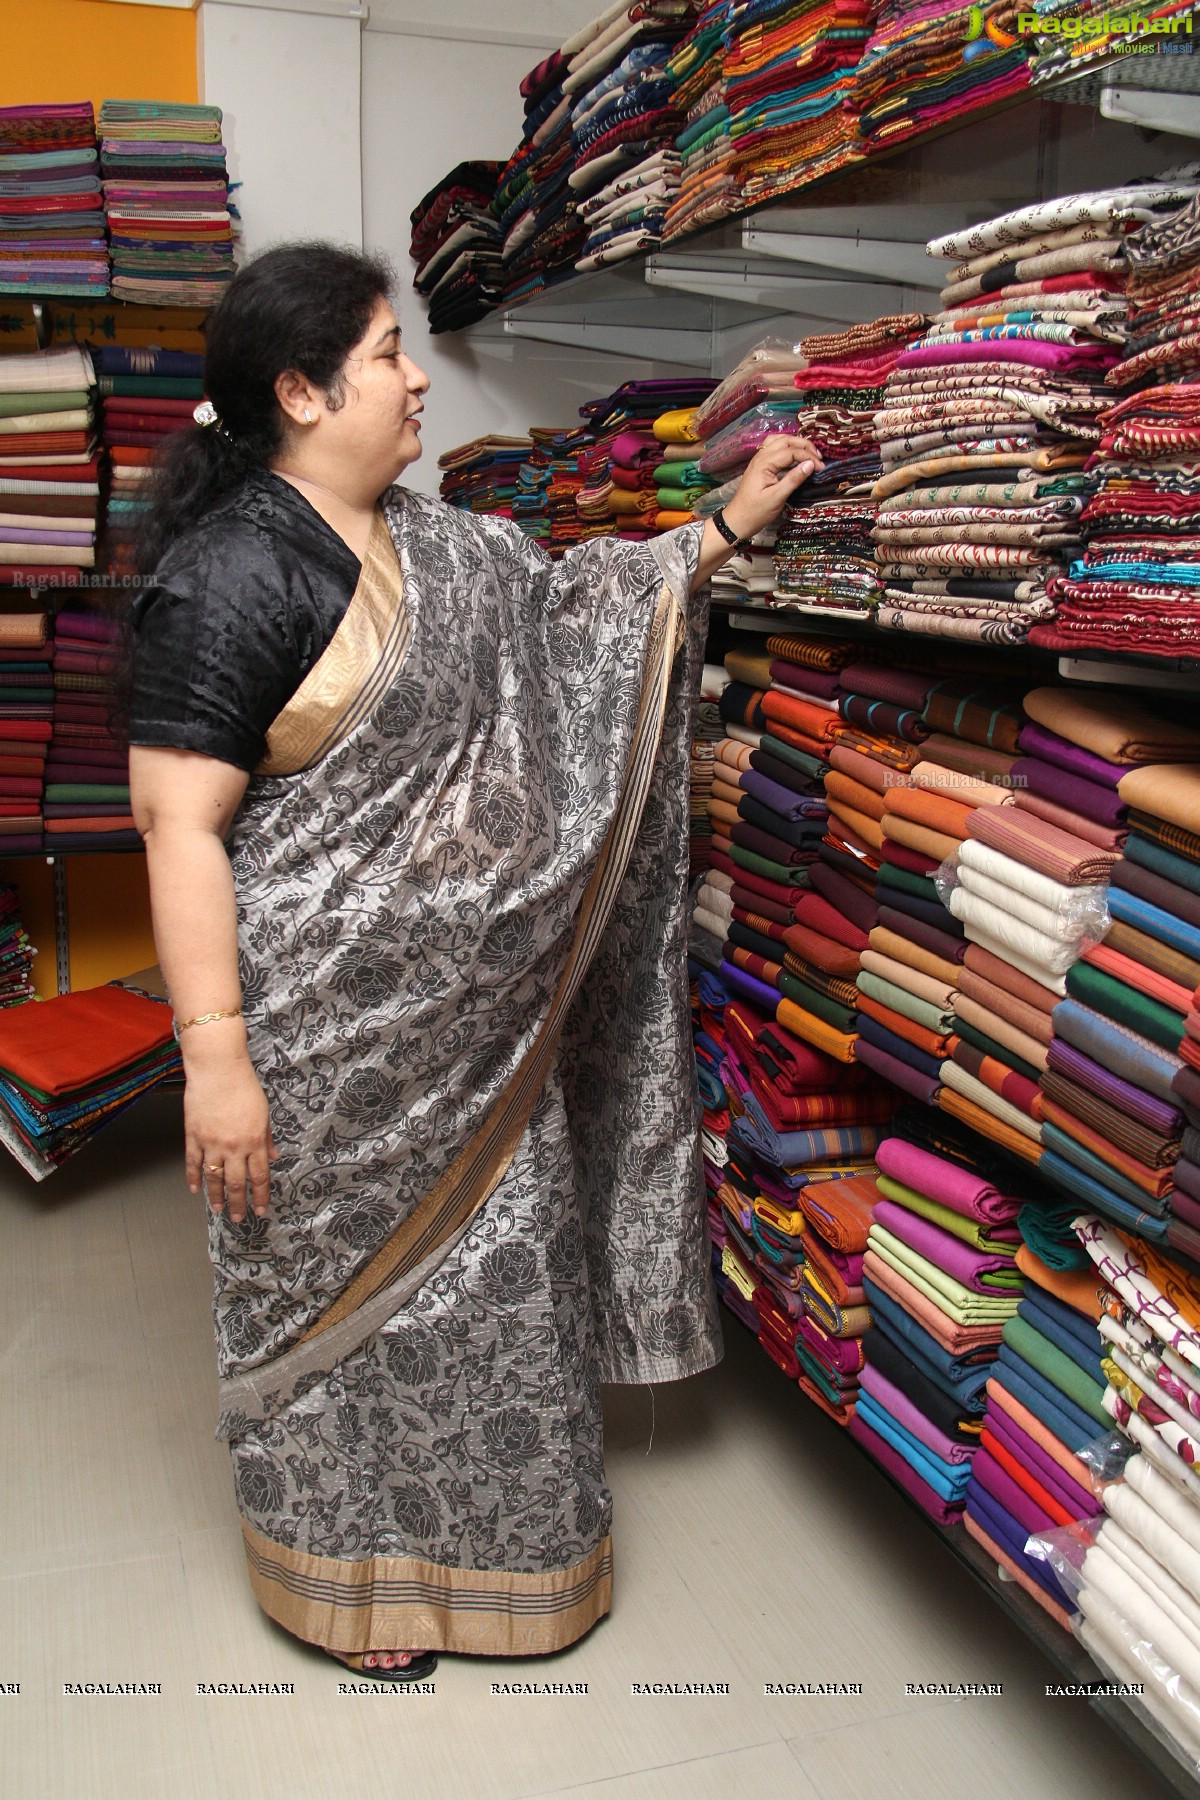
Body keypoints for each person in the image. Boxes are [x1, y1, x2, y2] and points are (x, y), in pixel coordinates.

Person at [128, 241, 822, 1680]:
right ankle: (347, 1584)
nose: (412, 378)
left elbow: (576, 623)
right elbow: (175, 822)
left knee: (502, 1296)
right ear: (302, 392)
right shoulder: (228, 576)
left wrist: (716, 537)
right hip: (323, 1052)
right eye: (385, 352)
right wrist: (216, 1063)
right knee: (335, 1317)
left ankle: (511, 1568)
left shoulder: (445, 540)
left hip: (485, 1042)